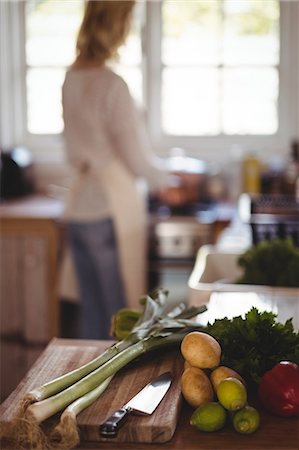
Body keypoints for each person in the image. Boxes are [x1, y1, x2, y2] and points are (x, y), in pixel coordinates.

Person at [61, 0, 175, 340]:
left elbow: (71, 150)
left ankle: (91, 390)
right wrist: (168, 179)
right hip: (110, 209)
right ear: (118, 25)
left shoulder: (71, 78)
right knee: (120, 319)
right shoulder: (112, 84)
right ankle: (118, 391)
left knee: (93, 317)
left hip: (80, 207)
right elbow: (135, 159)